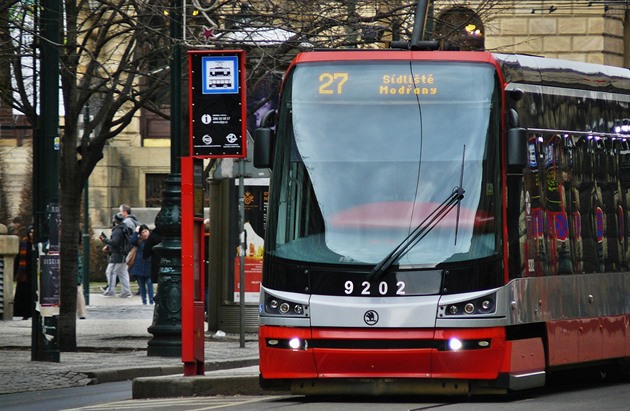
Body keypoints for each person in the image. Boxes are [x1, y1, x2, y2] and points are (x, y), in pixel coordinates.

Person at [99, 213, 132, 298]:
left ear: (115, 220)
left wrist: (105, 240)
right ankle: (126, 291)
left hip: (117, 255)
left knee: (110, 272)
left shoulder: (117, 230)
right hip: (123, 254)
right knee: (123, 273)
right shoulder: (124, 228)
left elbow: (115, 242)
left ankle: (110, 290)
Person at [129, 224, 154, 304]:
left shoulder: (152, 240)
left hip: (149, 266)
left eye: (146, 231)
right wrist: (136, 232)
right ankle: (144, 301)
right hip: (139, 266)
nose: (144, 234)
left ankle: (151, 301)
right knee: (141, 286)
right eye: (142, 232)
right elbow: (131, 241)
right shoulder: (139, 241)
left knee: (150, 284)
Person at [13, 226, 34, 320]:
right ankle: (24, 313)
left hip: (33, 273)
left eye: (33, 232)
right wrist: (16, 272)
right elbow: (18, 259)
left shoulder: (38, 245)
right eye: (30, 232)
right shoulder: (24, 243)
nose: (31, 234)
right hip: (24, 274)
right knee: (23, 294)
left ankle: (32, 313)